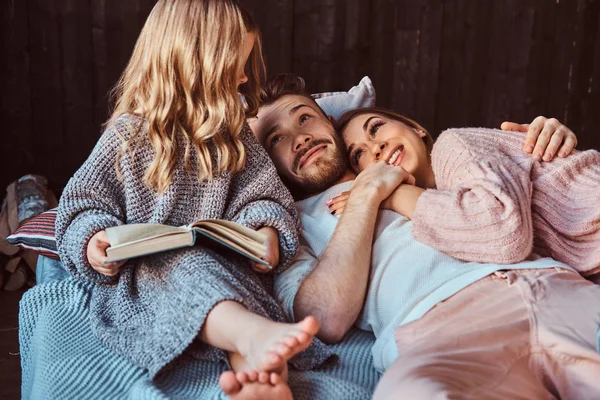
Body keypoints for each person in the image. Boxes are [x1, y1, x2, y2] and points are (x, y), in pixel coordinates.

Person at [248, 73, 600, 399]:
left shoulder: (424, 165)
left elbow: (512, 199)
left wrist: (545, 139)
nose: (300, 137)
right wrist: (367, 196)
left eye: (305, 117)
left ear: (329, 122)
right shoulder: (288, 228)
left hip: (542, 287)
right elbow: (324, 321)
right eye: (276, 138)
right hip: (439, 335)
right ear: (265, 162)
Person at [55, 5, 331, 400]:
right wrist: (92, 242)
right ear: (193, 61)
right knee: (191, 268)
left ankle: (263, 381)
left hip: (228, 267)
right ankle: (254, 338)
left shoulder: (233, 136)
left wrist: (267, 233)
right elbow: (81, 204)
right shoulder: (128, 136)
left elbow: (265, 196)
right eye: (234, 64)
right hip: (148, 278)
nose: (243, 77)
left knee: (222, 281)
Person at [335, 107, 600, 277]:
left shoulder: (451, 146)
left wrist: (391, 196)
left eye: (376, 127)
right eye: (359, 154)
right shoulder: (447, 194)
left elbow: (504, 230)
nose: (375, 146)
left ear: (414, 128)